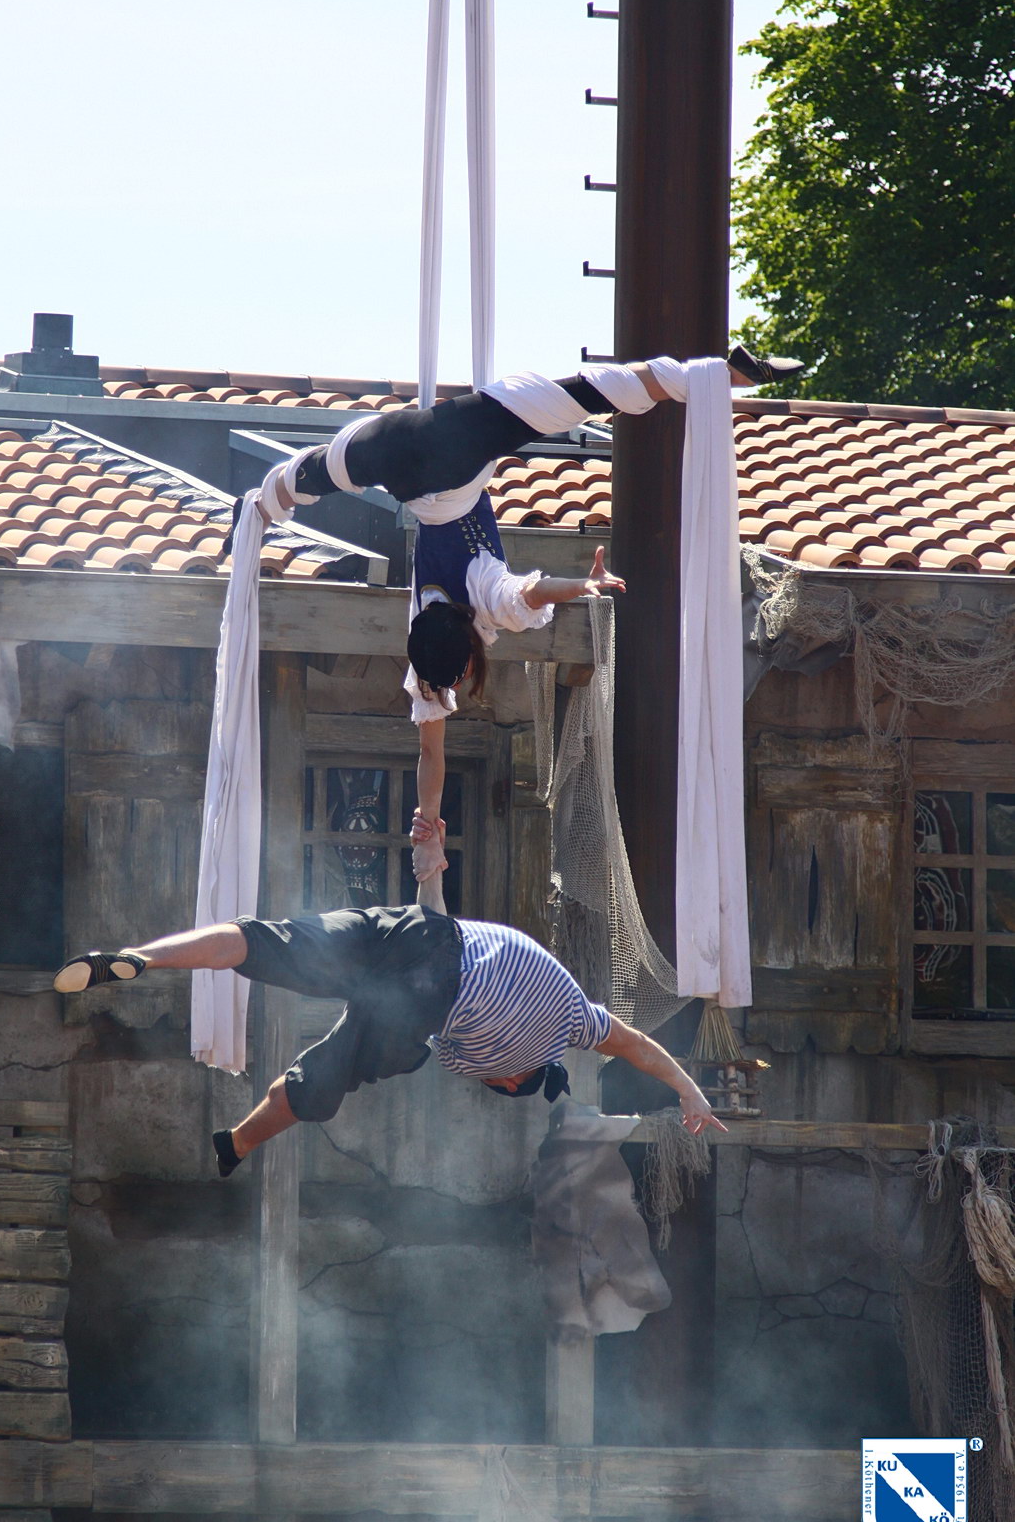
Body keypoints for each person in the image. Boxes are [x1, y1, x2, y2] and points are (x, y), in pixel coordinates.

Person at [259, 345, 802, 878]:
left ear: (467, 658)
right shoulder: (423, 629)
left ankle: (719, 374)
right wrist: (427, 824)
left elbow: (530, 594)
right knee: (307, 476)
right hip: (379, 448)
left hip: (452, 457)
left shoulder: (481, 599)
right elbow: (429, 751)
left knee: (587, 396)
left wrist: (582, 585)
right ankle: (265, 503)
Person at [52, 904, 730, 1177]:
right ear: (515, 1082)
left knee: (265, 943)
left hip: (422, 927)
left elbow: (639, 1045)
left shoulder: (577, 1016)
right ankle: (239, 1143)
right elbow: (431, 1019)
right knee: (326, 1085)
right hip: (428, 994)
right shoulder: (501, 1059)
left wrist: (690, 1091)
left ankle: (143, 956)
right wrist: (691, 1098)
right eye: (499, 1088)